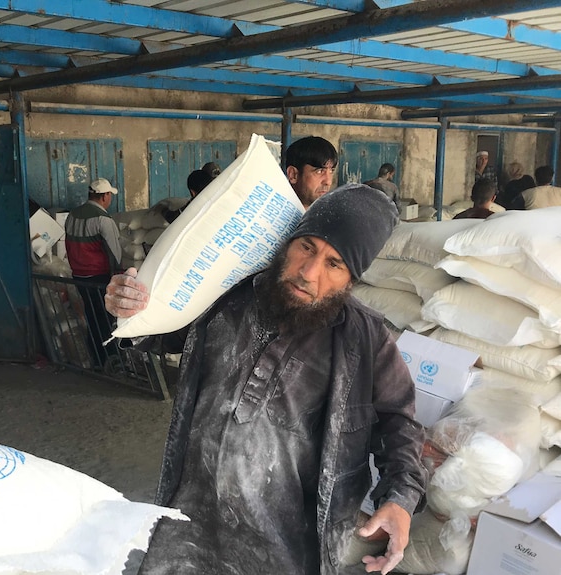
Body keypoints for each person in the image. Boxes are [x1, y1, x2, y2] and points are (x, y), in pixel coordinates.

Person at [105, 184, 425, 575]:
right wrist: (130, 307)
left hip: (287, 548)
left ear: (351, 280)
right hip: (188, 527)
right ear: (288, 243)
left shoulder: (364, 339)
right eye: (306, 246)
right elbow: (162, 331)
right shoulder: (225, 294)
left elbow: (400, 422)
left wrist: (400, 498)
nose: (309, 273)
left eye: (334, 263)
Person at [65, 178, 123, 367]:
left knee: (92, 316)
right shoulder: (103, 220)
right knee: (106, 319)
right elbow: (115, 252)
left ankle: (96, 358)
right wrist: (119, 276)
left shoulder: (72, 215)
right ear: (105, 196)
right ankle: (110, 359)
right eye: (110, 196)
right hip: (99, 277)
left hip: (79, 276)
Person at [285, 136, 339, 209]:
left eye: (331, 171)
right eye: (319, 171)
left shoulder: (332, 217)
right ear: (293, 174)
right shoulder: (269, 217)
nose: (328, 182)